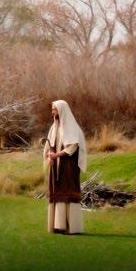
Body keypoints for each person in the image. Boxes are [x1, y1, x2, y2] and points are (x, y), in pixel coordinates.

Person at [43, 100, 87, 234]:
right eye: (52, 109)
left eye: (54, 109)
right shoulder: (54, 127)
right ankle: (58, 226)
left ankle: (71, 227)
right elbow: (49, 145)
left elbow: (72, 148)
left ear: (62, 110)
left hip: (68, 166)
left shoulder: (72, 127)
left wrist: (56, 155)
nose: (52, 112)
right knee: (57, 192)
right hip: (56, 166)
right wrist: (50, 156)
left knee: (68, 192)